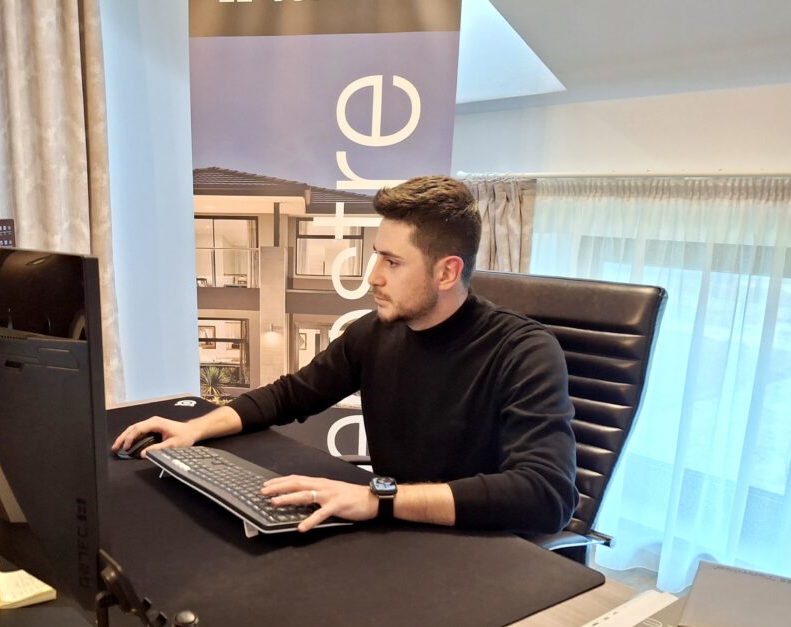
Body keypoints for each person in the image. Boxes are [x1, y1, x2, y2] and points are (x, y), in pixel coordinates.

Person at [112, 175, 577, 535]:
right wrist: (196, 427)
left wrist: (380, 498)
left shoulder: (525, 352)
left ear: (446, 272)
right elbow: (291, 395)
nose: (373, 276)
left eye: (392, 262)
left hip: (481, 551)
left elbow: (547, 495)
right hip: (395, 532)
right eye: (377, 256)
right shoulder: (374, 333)